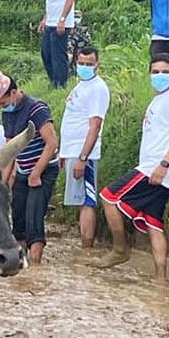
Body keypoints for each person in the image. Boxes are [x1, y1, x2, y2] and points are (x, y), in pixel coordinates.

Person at [92, 53, 169, 282]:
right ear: (149, 74)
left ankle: (120, 250)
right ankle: (161, 279)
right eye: (155, 72)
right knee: (154, 223)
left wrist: (163, 164)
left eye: (165, 72)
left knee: (109, 197)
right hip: (157, 169)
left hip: (154, 168)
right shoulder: (157, 101)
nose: (160, 76)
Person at [0, 69, 59, 265]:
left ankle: (35, 266)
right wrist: (1, 183)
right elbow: (10, 152)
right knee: (17, 217)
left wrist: (37, 172)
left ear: (14, 93)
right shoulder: (8, 114)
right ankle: (21, 262)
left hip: (44, 170)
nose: (2, 107)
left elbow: (52, 143)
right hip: (24, 170)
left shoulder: (36, 109)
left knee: (34, 217)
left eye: (4, 103)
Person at [58, 47, 109, 249]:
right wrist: (64, 152)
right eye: (82, 63)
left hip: (83, 154)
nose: (85, 67)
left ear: (97, 65)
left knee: (87, 200)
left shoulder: (97, 89)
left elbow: (94, 125)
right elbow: (72, 119)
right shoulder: (80, 86)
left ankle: (86, 249)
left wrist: (82, 157)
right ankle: (83, 244)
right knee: (80, 200)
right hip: (72, 151)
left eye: (89, 64)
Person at [38, 0, 79, 89]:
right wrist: (45, 18)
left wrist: (62, 19)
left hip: (61, 22)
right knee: (46, 54)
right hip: (51, 20)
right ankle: (53, 81)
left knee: (58, 56)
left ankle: (61, 84)